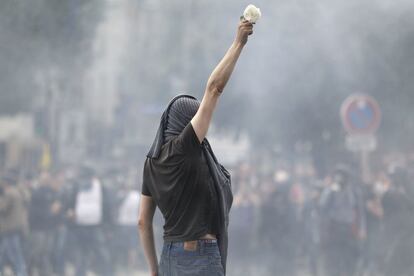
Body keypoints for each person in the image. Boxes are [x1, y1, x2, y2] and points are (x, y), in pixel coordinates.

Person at [138, 19, 254, 276]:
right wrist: (238, 43)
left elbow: (143, 222)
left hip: (169, 255)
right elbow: (214, 89)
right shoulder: (184, 149)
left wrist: (154, 270)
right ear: (185, 123)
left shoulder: (151, 162)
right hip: (200, 255)